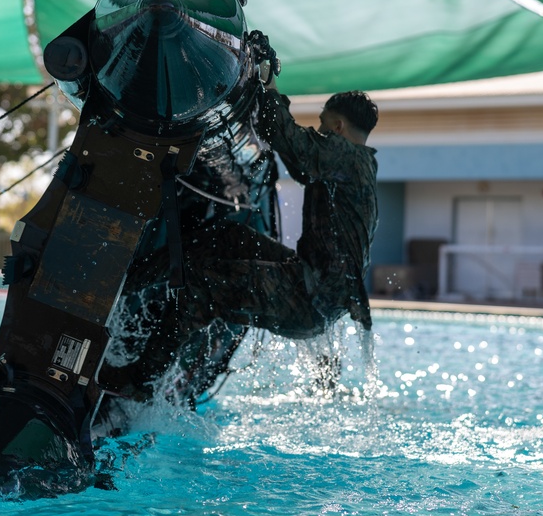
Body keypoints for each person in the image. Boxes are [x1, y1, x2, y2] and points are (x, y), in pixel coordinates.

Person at [126, 73, 379, 340]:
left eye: (322, 126)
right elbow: (299, 163)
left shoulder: (349, 158)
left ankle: (138, 379)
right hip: (310, 289)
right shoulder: (356, 168)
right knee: (226, 236)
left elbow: (293, 142)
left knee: (200, 281)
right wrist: (269, 101)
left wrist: (270, 89)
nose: (318, 132)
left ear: (338, 127)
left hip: (308, 298)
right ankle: (127, 282)